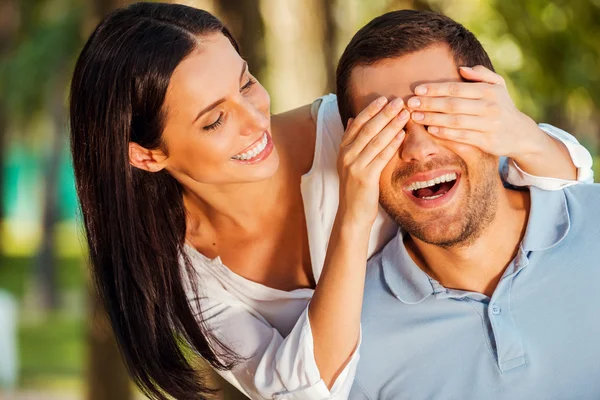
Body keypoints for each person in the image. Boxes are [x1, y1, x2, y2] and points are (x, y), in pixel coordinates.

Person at [69, 3, 594, 399]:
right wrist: (354, 212)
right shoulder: (188, 279)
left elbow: (553, 183)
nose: (257, 123)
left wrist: (520, 134)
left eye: (246, 83)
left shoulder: (346, 124)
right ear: (145, 155)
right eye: (214, 120)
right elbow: (302, 393)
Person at [332, 10, 600, 400]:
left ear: (495, 114)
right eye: (385, 129)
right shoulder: (350, 342)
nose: (419, 149)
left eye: (441, 114)